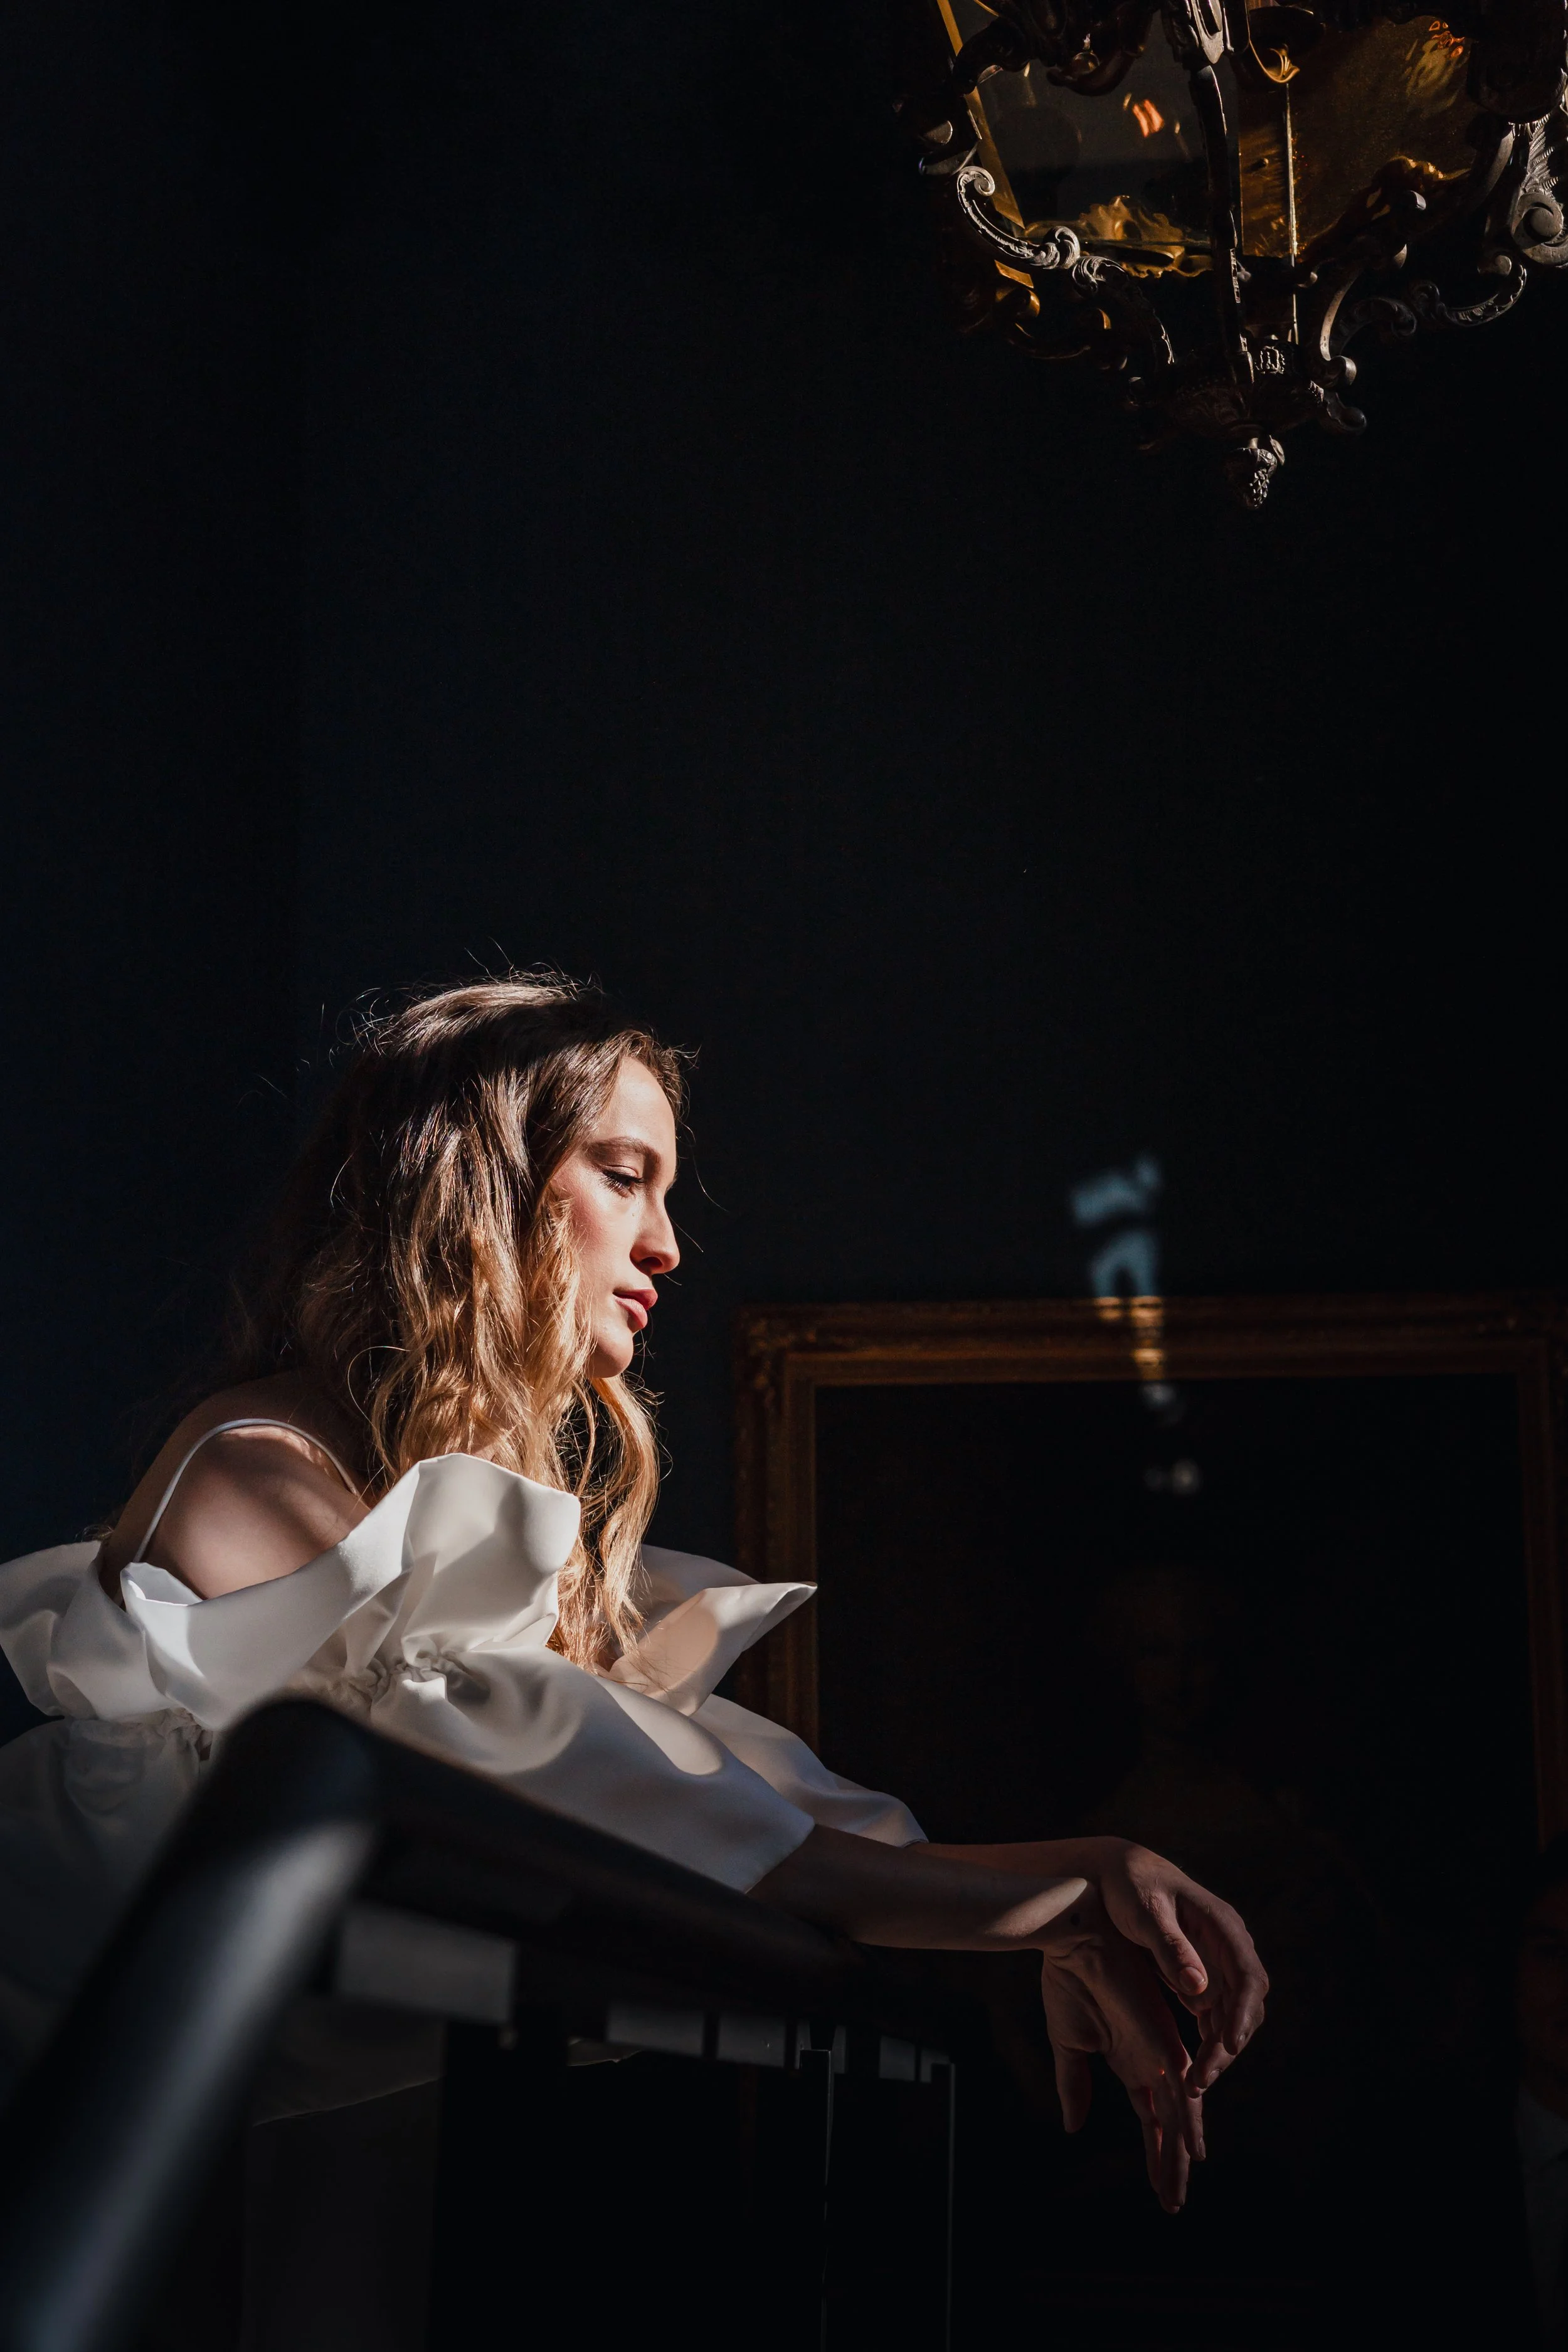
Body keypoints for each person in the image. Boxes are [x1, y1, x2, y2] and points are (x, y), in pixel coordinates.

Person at [0, 976, 1266, 2236]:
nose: (665, 1245)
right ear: (476, 1186)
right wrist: (1039, 1898)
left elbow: (665, 1780)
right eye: (620, 1175)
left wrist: (1023, 1908)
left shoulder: (420, 1534)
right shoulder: (255, 1465)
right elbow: (552, 1766)